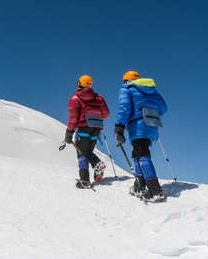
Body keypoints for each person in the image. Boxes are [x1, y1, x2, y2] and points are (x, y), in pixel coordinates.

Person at [114, 71, 167, 202]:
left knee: (142, 154)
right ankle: (140, 185)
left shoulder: (127, 89)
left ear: (127, 80)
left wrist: (119, 127)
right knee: (137, 153)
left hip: (137, 126)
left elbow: (124, 108)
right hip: (152, 125)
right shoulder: (153, 91)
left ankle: (155, 190)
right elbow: (163, 108)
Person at [64, 75, 110, 189]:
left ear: (79, 84)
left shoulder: (75, 98)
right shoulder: (99, 98)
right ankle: (97, 163)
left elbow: (73, 117)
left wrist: (69, 132)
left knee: (81, 153)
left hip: (83, 129)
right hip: (96, 129)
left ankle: (84, 180)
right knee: (88, 151)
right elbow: (106, 114)